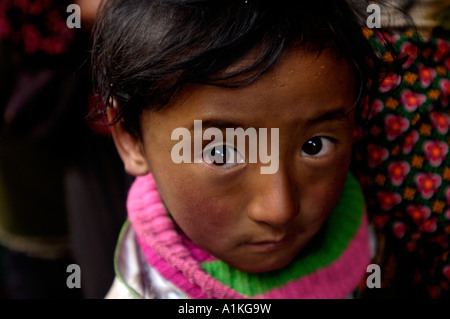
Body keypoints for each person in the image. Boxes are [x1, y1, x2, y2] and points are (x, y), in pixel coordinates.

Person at [89, 0, 415, 299]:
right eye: (221, 154)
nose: (279, 210)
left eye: (314, 146)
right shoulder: (144, 286)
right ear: (132, 141)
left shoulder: (360, 236)